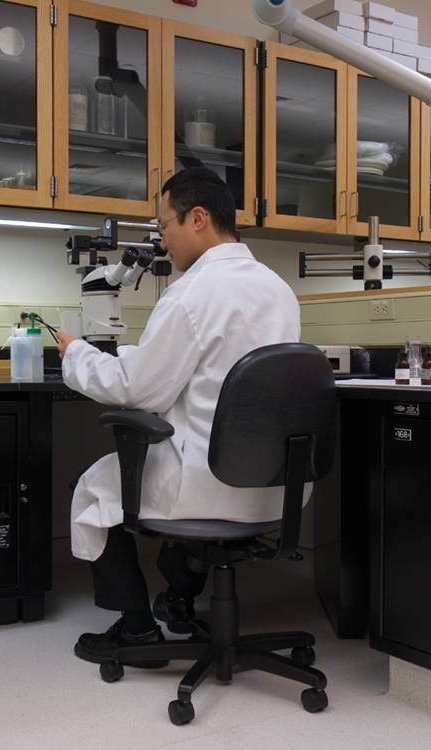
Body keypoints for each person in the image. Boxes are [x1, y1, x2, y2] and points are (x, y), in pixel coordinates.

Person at [55, 167, 302, 666]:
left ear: (198, 218)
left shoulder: (191, 293)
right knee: (169, 480)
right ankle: (178, 600)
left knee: (93, 490)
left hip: (207, 483)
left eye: (164, 225)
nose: (162, 240)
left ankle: (137, 629)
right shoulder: (277, 289)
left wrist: (76, 355)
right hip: (280, 486)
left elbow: (136, 389)